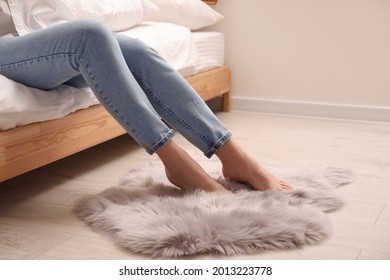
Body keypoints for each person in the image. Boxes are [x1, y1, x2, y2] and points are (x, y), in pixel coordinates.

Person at [0, 1, 291, 192]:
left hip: (43, 38)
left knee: (133, 49)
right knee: (90, 33)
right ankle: (175, 162)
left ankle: (232, 154)